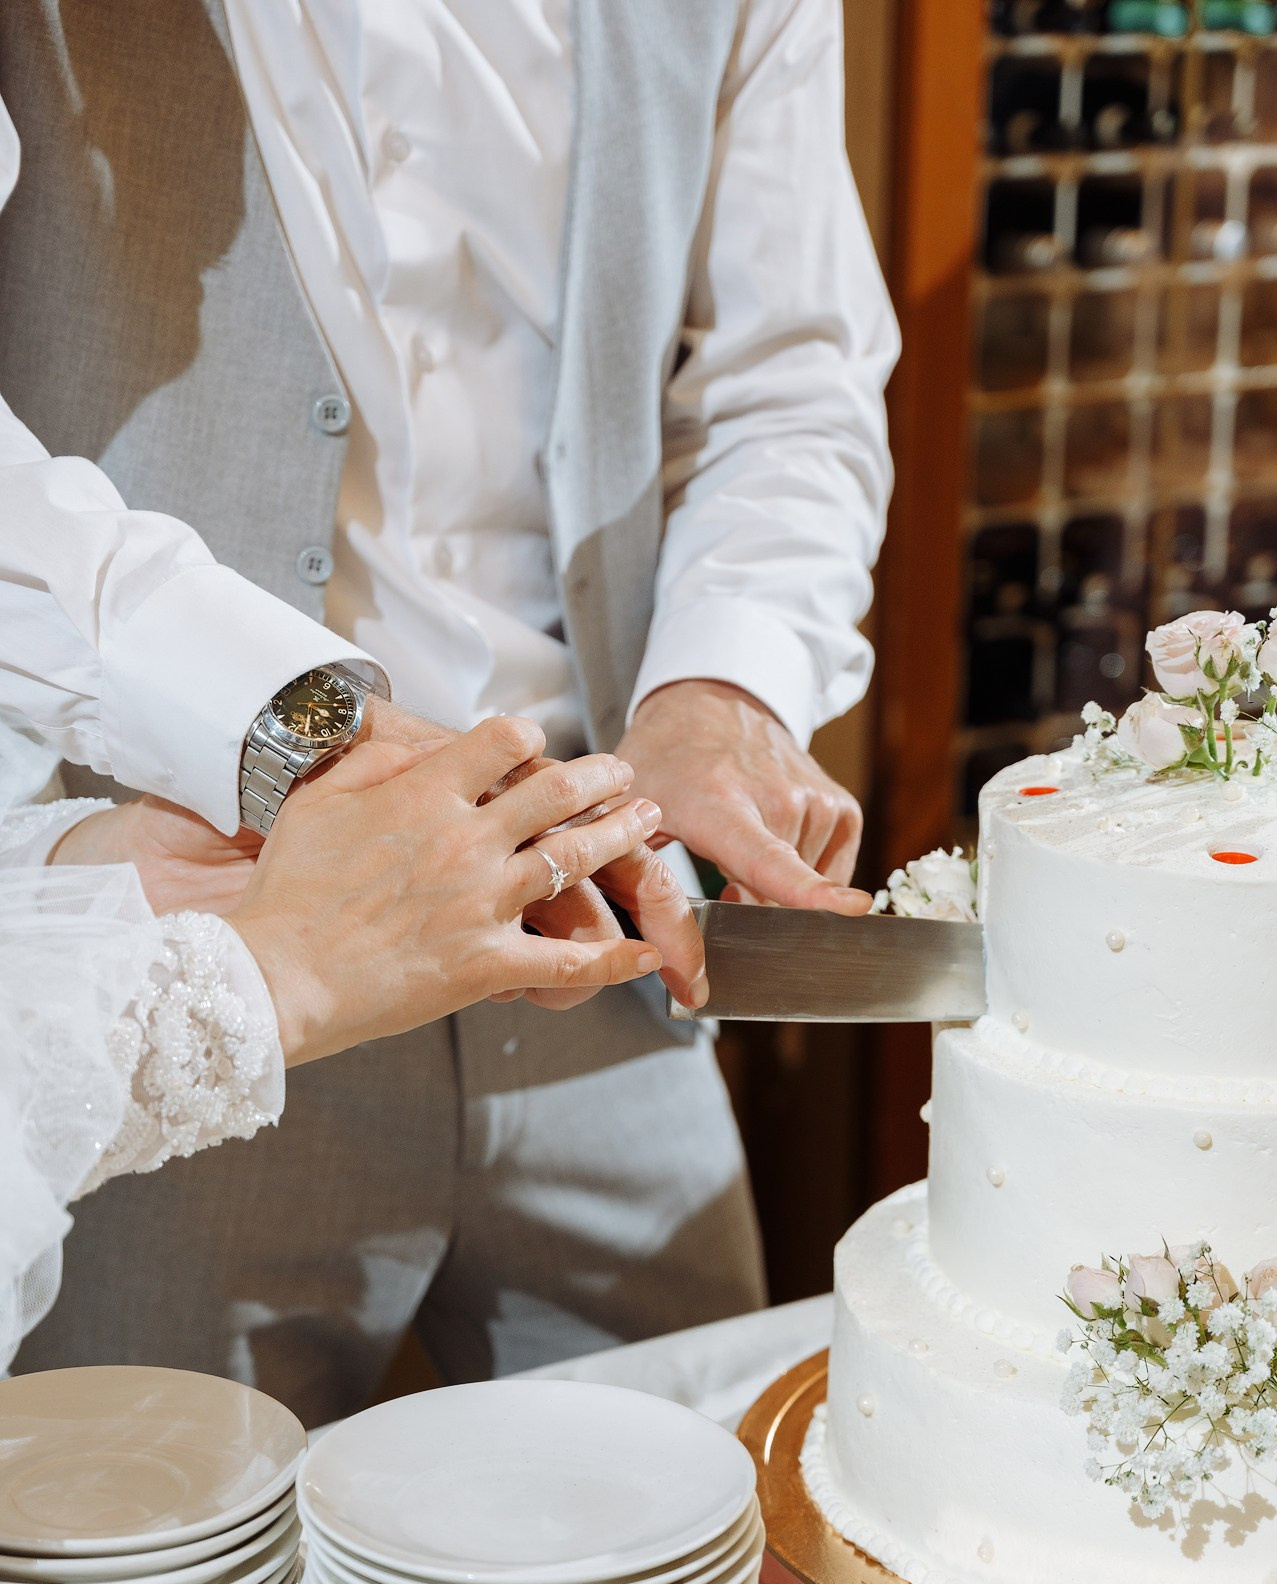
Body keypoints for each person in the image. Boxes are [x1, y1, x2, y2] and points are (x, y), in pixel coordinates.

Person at [0, 2, 898, 1421]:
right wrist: (287, 734)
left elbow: (791, 379)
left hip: (604, 938)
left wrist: (716, 688)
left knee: (702, 1547)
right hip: (199, 949)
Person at [0, 714, 686, 1372]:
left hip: (598, 967)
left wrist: (100, 865)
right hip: (244, 1062)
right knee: (184, 1455)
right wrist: (273, 972)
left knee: (694, 1429)